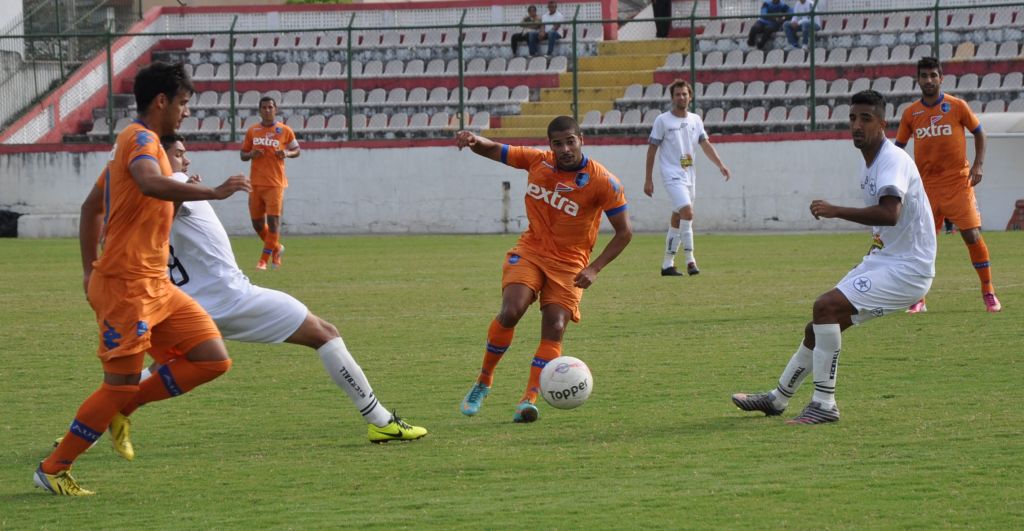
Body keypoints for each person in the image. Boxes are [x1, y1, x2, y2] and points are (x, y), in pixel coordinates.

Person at [34, 61, 251, 496]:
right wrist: (212, 191)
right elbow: (151, 183)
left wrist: (84, 268)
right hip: (127, 288)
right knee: (119, 382)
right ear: (161, 101)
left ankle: (122, 408)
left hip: (157, 287)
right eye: (184, 103)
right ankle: (53, 468)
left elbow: (91, 207)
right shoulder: (139, 140)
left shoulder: (130, 148)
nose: (186, 112)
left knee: (211, 358)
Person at [732, 90, 937, 425]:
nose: (857, 125)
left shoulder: (892, 160)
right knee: (819, 326)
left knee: (825, 307)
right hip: (888, 260)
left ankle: (824, 404)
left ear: (883, 124)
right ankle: (777, 399)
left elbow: (890, 214)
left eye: (865, 119)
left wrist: (835, 211)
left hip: (909, 269)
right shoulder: (869, 161)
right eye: (853, 118)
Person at [455, 116, 632, 423]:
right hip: (531, 251)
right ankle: (484, 381)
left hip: (570, 263)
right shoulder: (538, 162)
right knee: (511, 310)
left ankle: (529, 399)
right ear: (550, 145)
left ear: (581, 140)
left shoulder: (603, 181)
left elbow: (624, 232)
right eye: (557, 143)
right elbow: (496, 149)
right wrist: (474, 140)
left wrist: (595, 268)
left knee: (556, 325)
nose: (564, 149)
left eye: (570, 141)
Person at [895, 57, 1000, 313]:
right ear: (918, 80)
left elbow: (979, 132)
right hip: (925, 187)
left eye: (933, 75)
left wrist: (978, 165)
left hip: (957, 183)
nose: (928, 80)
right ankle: (919, 298)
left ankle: (988, 291)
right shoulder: (911, 113)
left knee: (971, 234)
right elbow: (898, 148)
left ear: (941, 78)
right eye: (924, 76)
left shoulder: (956, 106)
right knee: (921, 242)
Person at [644, 79, 731, 277]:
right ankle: (690, 260)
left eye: (684, 94)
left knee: (678, 217)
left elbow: (705, 144)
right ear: (672, 97)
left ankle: (667, 264)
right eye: (677, 94)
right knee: (688, 212)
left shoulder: (695, 120)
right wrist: (648, 179)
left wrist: (720, 165)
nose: (681, 97)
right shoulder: (662, 120)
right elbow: (651, 150)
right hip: (671, 174)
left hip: (689, 175)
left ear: (690, 96)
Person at [241, 96, 300, 271]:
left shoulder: (284, 130)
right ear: (259, 110)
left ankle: (263, 260)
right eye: (264, 107)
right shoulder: (253, 130)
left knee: (273, 222)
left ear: (276, 109)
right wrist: (252, 154)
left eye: (270, 107)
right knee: (257, 224)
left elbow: (297, 150)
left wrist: (287, 154)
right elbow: (243, 155)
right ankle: (277, 248)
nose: (267, 110)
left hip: (275, 184)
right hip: (255, 184)